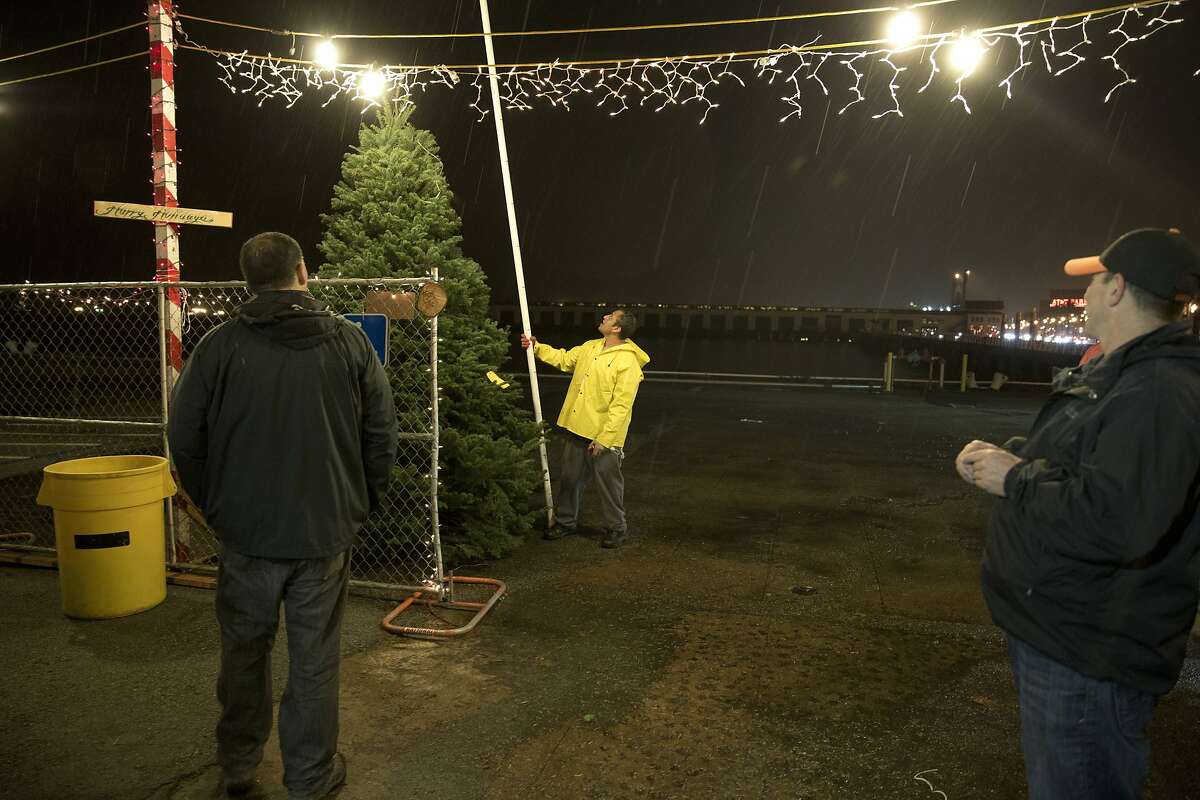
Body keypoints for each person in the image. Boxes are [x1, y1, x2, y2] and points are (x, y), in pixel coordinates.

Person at [955, 228, 1200, 800]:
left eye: (1092, 282)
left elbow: (1117, 519)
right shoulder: (1127, 373)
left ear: (1117, 289)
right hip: (1066, 636)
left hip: (1087, 657)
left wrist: (1013, 477)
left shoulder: (1157, 389)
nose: (1084, 295)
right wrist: (1017, 457)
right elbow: (1097, 469)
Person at [168, 232, 397, 800]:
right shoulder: (348, 343)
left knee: (244, 651)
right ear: (303, 272)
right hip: (324, 531)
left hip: (246, 532)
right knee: (315, 658)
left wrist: (215, 503)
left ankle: (239, 767)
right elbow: (381, 433)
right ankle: (310, 776)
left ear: (249, 280)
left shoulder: (221, 346)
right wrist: (361, 500)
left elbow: (184, 435)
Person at [521, 309, 649, 549]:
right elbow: (564, 359)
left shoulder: (627, 362)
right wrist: (536, 347)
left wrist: (604, 438)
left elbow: (621, 406)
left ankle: (616, 528)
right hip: (576, 426)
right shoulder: (590, 347)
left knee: (609, 485)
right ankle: (566, 522)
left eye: (610, 318)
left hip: (603, 436)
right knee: (570, 479)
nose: (604, 318)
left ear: (617, 329)